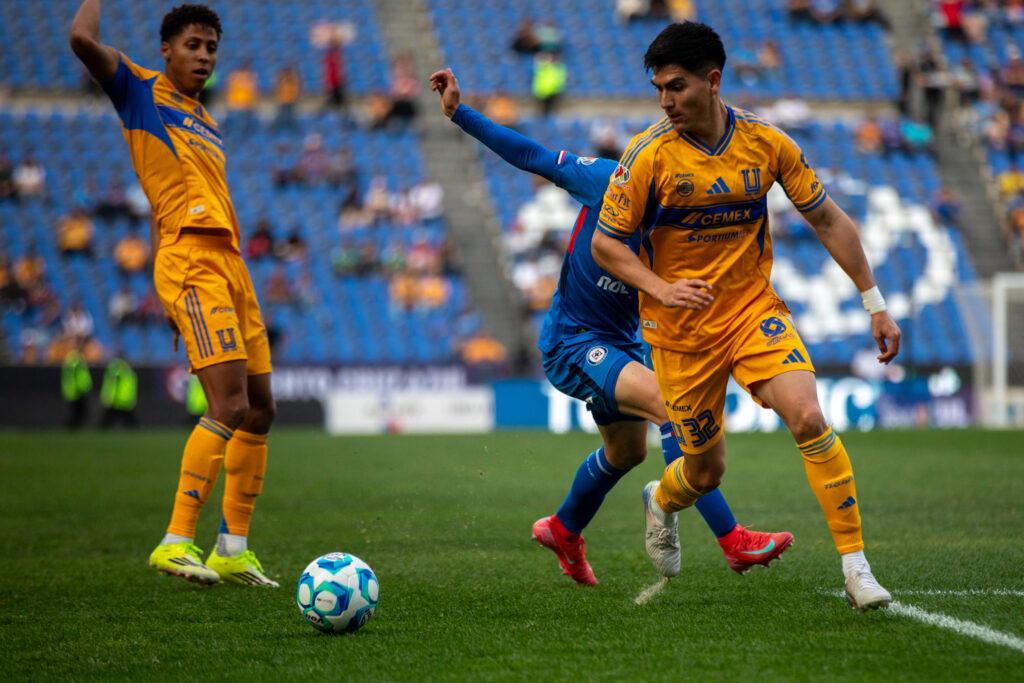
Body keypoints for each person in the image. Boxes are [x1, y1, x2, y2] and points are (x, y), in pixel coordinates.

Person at [431, 68, 793, 585]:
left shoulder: (689, 217)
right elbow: (532, 155)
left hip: (624, 342)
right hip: (574, 341)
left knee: (628, 451)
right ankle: (732, 541)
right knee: (672, 409)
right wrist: (458, 113)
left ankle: (563, 527)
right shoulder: (608, 181)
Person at [591, 22, 900, 610]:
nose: (665, 100)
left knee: (808, 416)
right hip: (679, 334)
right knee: (704, 474)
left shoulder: (767, 143)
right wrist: (662, 288)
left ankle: (856, 568)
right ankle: (661, 499)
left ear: (713, 81)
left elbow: (829, 220)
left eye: (676, 86)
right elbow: (607, 245)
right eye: (658, 88)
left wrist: (874, 303)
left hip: (752, 312)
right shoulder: (647, 156)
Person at [70, 1, 278, 587]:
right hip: (193, 261)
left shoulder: (206, 122)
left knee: (261, 410)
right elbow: (82, 39)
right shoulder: (139, 90)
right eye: (193, 45)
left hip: (230, 264)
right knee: (229, 406)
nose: (204, 56)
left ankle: (232, 547)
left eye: (211, 47)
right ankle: (175, 539)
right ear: (166, 50)